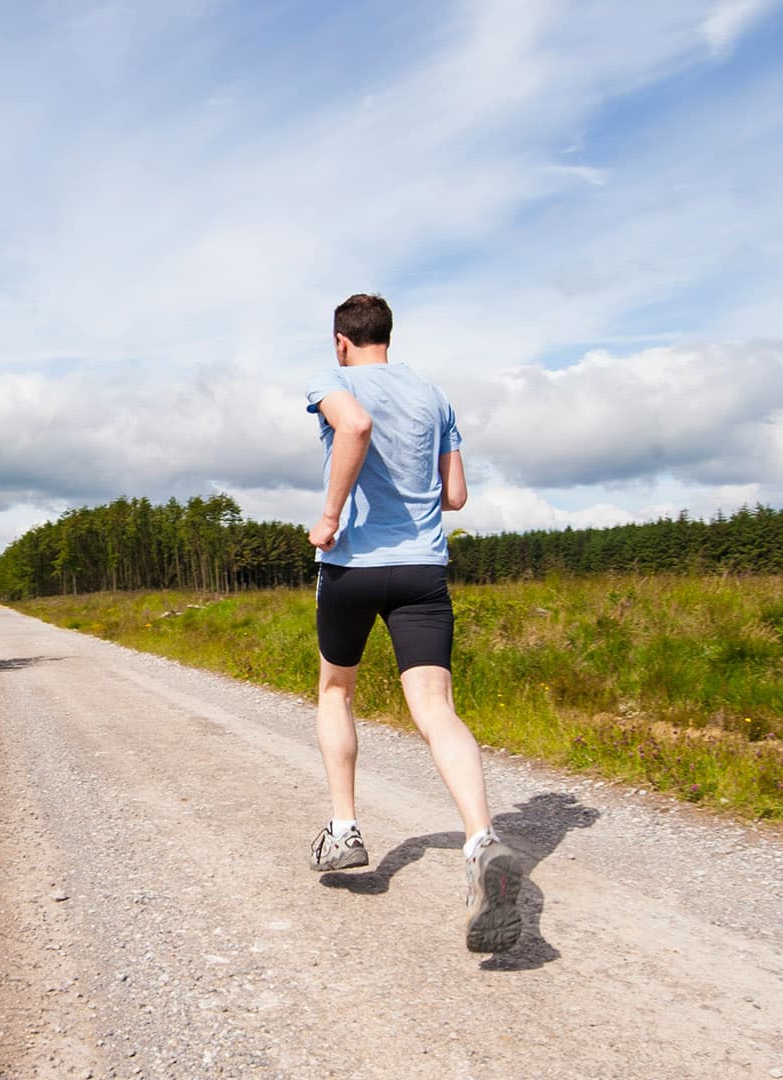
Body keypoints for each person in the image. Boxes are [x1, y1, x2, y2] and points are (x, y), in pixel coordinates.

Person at [303, 293, 523, 953]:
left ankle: (345, 831)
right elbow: (455, 495)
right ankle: (482, 839)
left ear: (341, 341)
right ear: (387, 337)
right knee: (436, 708)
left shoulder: (333, 381)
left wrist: (331, 515)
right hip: (423, 569)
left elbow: (356, 427)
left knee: (336, 689)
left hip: (352, 568)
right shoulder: (433, 396)